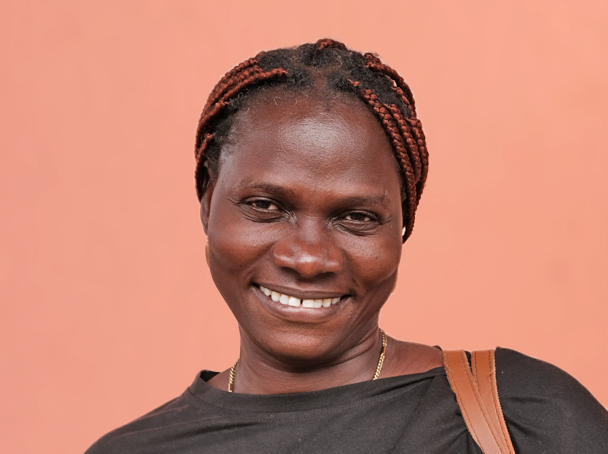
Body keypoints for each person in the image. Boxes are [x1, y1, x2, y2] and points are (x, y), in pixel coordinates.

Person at [85, 39, 608, 453]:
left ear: (401, 228)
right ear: (207, 203)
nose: (308, 258)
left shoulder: (522, 415)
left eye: (357, 217)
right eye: (265, 205)